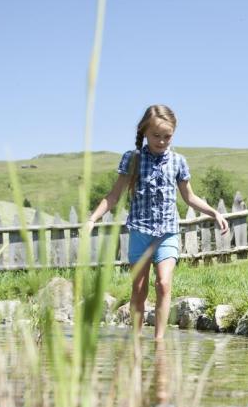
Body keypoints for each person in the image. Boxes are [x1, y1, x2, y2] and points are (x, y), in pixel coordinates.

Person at [87, 104, 229, 339]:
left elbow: (189, 197)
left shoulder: (178, 161)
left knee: (163, 284)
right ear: (144, 132)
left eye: (167, 136)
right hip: (140, 232)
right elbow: (114, 195)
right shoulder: (133, 159)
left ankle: (159, 342)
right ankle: (135, 341)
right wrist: (92, 218)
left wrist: (215, 213)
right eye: (156, 136)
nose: (162, 141)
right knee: (139, 289)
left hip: (167, 233)